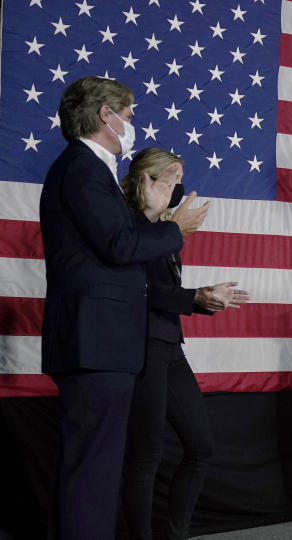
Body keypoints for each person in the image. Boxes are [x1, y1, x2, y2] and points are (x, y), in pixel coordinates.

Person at [39, 76, 208, 539]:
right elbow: (118, 244)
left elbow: (119, 247)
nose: (131, 125)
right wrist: (176, 228)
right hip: (95, 343)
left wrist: (155, 218)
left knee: (92, 471)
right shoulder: (82, 168)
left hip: (104, 344)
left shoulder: (94, 173)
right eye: (128, 116)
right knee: (92, 473)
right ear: (105, 116)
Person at [118, 148, 249, 540]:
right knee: (146, 457)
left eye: (180, 178)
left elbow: (167, 291)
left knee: (201, 447)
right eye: (170, 177)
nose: (179, 186)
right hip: (140, 349)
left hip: (170, 347)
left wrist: (204, 297)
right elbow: (141, 290)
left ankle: (175, 533)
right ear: (146, 179)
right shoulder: (130, 229)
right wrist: (193, 297)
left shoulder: (166, 231)